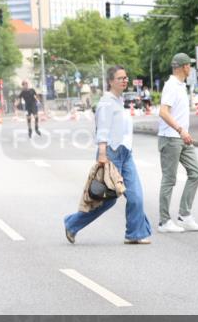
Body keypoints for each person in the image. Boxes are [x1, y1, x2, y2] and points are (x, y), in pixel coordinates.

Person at [64, 66, 153, 245]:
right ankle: (72, 224)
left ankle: (135, 233)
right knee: (107, 200)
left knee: (136, 195)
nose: (124, 80)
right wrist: (103, 154)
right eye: (120, 78)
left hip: (126, 153)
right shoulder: (106, 102)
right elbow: (102, 129)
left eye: (126, 78)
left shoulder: (119, 101)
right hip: (111, 153)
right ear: (111, 81)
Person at [157, 53, 198, 234]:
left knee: (196, 173)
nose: (190, 68)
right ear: (184, 67)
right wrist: (180, 130)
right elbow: (163, 112)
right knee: (169, 179)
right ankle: (164, 221)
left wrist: (183, 132)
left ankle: (184, 215)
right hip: (171, 138)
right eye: (189, 66)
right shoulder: (171, 86)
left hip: (182, 138)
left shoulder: (181, 86)